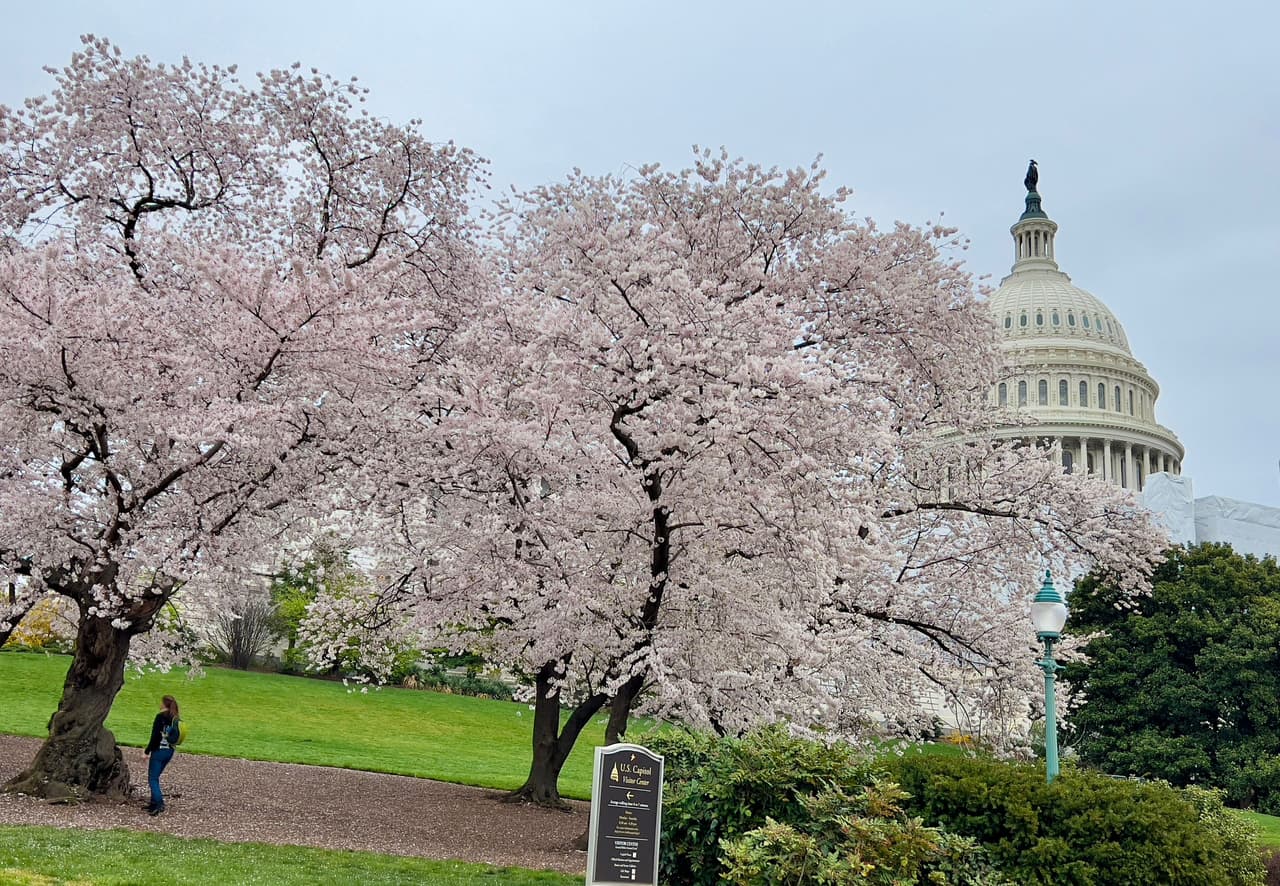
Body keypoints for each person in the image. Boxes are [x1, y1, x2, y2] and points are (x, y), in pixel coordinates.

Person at [143, 695, 180, 816]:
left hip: (159, 751)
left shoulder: (160, 717)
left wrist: (147, 751)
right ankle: (153, 802)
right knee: (155, 777)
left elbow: (155, 736)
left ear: (164, 704)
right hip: (169, 751)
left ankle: (159, 804)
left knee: (153, 779)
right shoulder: (175, 718)